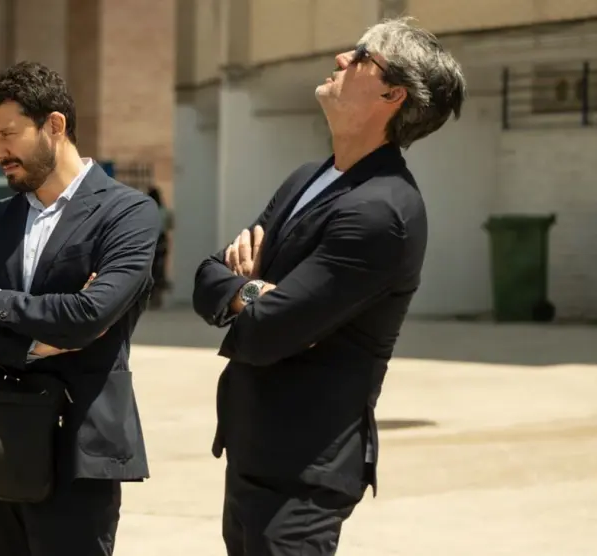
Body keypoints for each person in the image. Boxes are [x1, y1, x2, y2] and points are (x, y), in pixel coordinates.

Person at [192, 17, 466, 556]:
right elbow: (207, 274)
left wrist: (249, 292)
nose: (342, 58)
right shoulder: (307, 177)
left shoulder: (380, 211)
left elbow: (269, 331)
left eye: (362, 56)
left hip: (303, 473)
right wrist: (254, 292)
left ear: (392, 94)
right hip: (253, 450)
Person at [0, 60, 161, 556]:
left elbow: (87, 317)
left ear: (54, 125)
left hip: (78, 448)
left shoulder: (128, 213)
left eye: (7, 135)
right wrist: (33, 345)